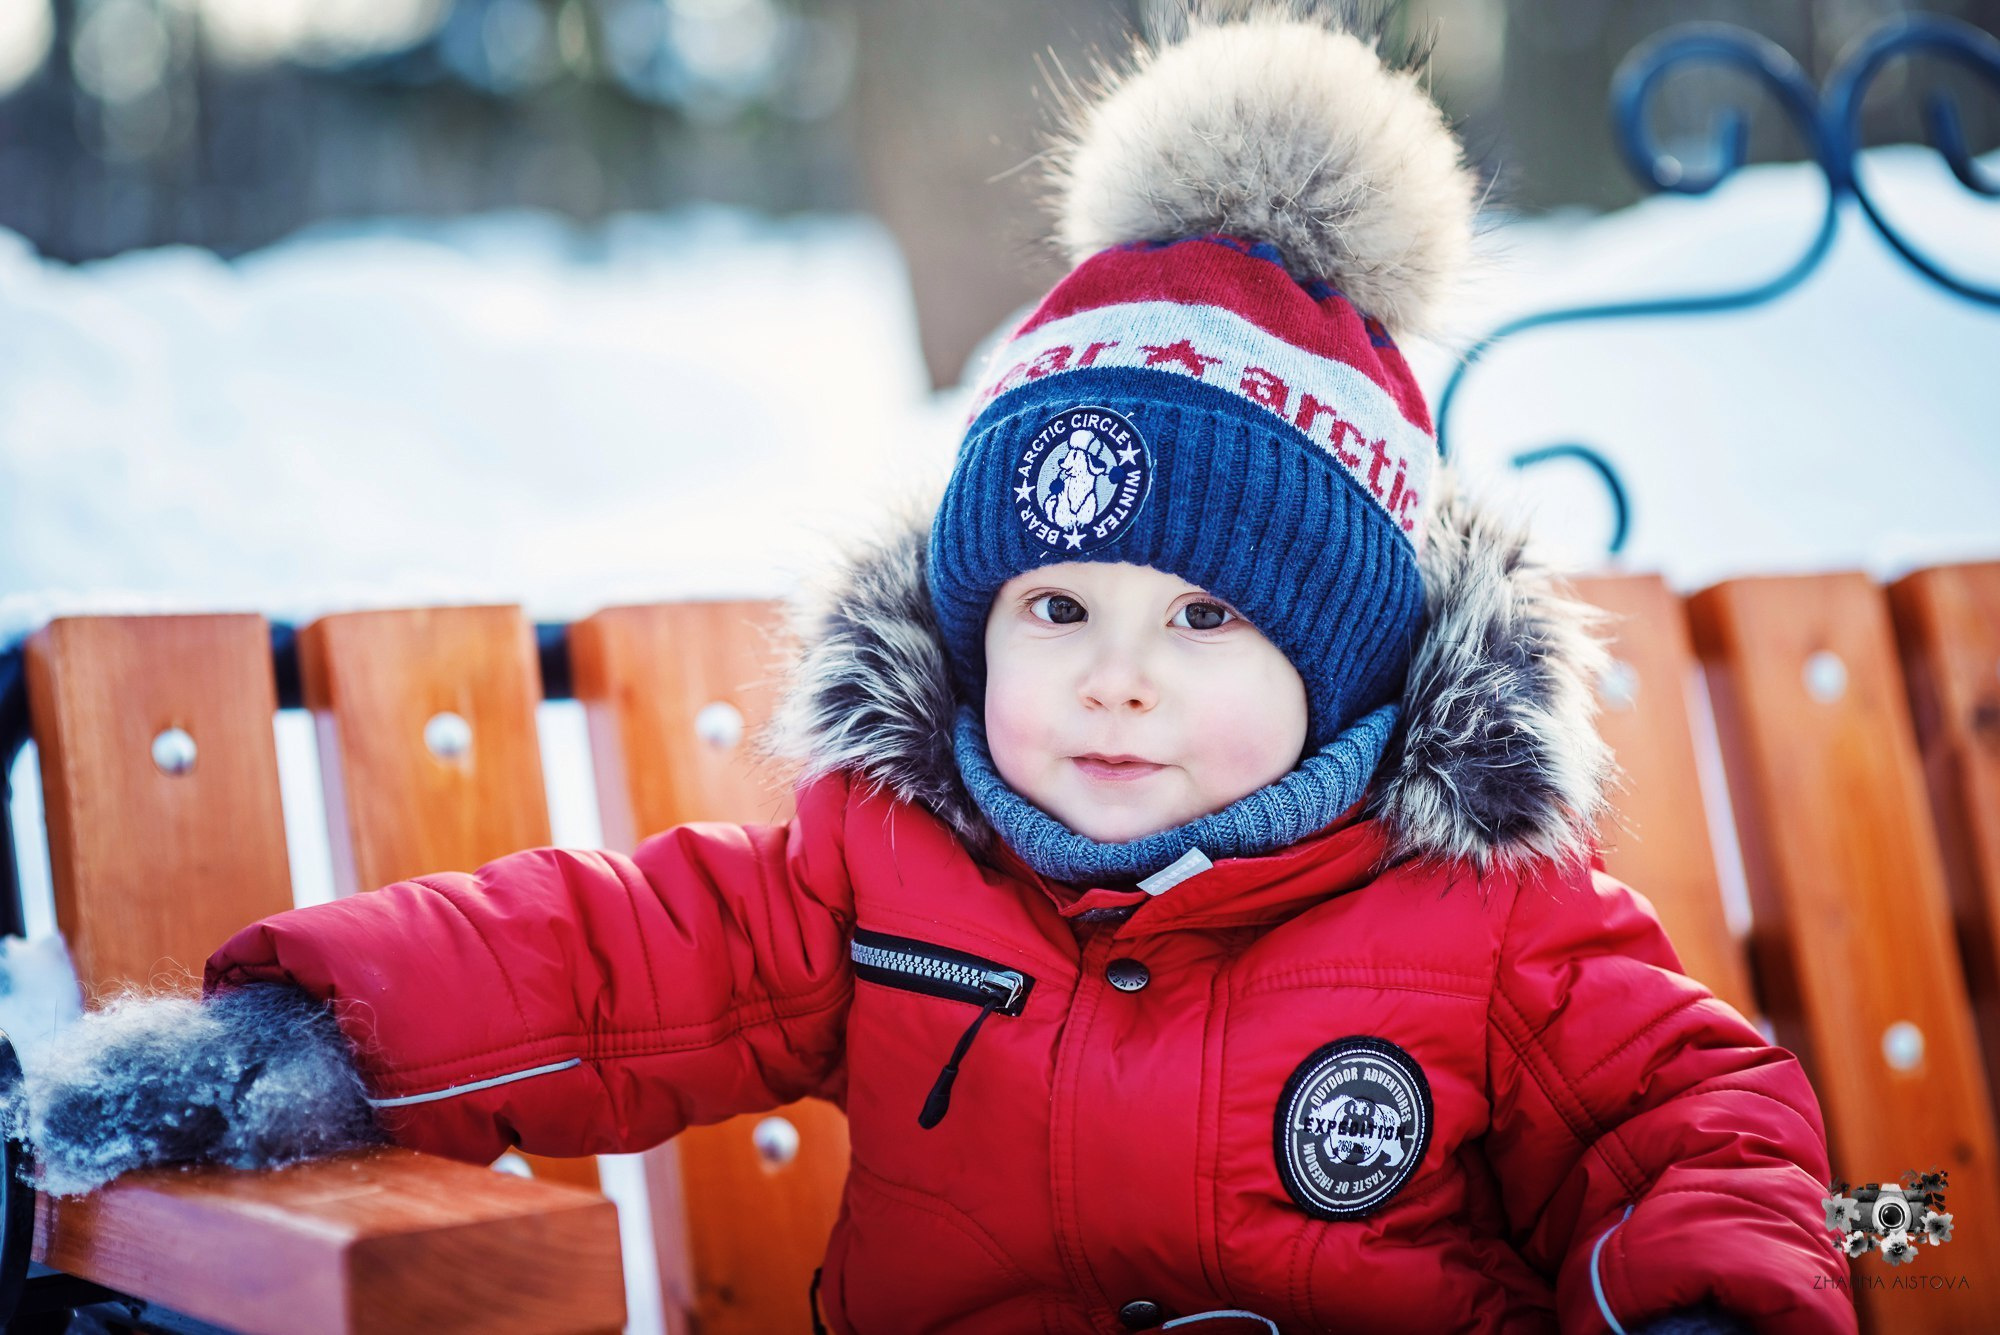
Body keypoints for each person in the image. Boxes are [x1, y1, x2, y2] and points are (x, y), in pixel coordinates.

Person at [7, 4, 1856, 1332]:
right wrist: (303, 1044)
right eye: (1057, 612)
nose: (1116, 680)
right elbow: (603, 964)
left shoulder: (1486, 921)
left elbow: (1691, 1117)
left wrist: (1694, 1298)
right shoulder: (880, 873)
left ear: (1352, 663)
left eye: (1208, 623)